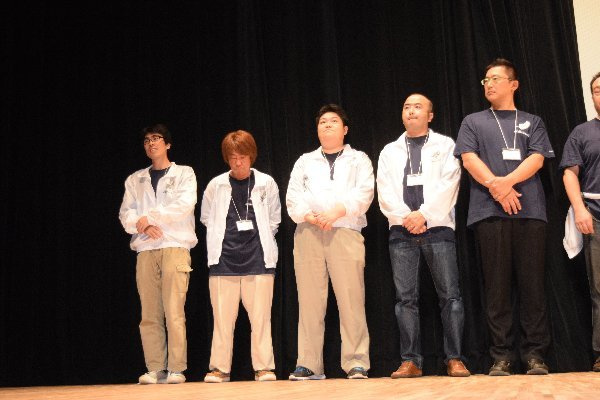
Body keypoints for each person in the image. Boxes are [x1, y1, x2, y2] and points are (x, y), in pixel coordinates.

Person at [454, 58, 554, 376]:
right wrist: (496, 188)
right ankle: (501, 356)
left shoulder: (532, 121)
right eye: (486, 80)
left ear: (514, 84)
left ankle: (535, 355)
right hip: (489, 212)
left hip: (530, 211)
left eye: (496, 78)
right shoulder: (473, 121)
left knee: (532, 286)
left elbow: (537, 159)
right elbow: (469, 159)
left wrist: (505, 183)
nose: (489, 84)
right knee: (496, 289)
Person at [377, 94, 470, 378]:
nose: (411, 111)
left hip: (438, 228)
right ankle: (411, 361)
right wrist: (407, 217)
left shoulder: (445, 145)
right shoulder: (390, 151)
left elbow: (450, 185)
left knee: (450, 297)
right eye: (406, 107)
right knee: (405, 299)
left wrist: (424, 215)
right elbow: (384, 191)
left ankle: (454, 358)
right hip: (401, 231)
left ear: (430, 116)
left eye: (418, 107)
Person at [286, 104, 373, 380]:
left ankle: (356, 361)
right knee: (309, 301)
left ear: (345, 129)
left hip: (344, 230)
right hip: (308, 233)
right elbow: (293, 197)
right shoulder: (304, 161)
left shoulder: (359, 159)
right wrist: (309, 216)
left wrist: (336, 212)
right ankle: (309, 363)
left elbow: (364, 194)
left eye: (333, 121)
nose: (327, 125)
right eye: (322, 122)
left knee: (351, 299)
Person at [119, 123, 197, 384]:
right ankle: (155, 367)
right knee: (149, 314)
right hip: (145, 249)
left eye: (156, 138)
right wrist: (141, 225)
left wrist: (149, 219)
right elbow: (126, 214)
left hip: (174, 246)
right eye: (147, 141)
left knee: (174, 311)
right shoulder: (135, 179)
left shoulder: (184, 173)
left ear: (168, 144)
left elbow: (183, 205)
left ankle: (176, 368)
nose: (151, 143)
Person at [200, 130, 281, 383]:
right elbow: (206, 217)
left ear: (251, 156)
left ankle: (264, 367)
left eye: (242, 157)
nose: (238, 162)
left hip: (258, 259)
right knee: (222, 321)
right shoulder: (216, 185)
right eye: (233, 158)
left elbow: (274, 219)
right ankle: (219, 368)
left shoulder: (266, 183)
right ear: (227, 158)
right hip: (224, 261)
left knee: (261, 319)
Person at [560, 71, 600, 372]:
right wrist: (580, 209)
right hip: (595, 214)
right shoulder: (581, 133)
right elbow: (570, 173)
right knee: (599, 286)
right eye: (597, 90)